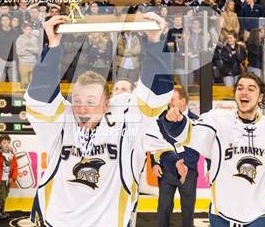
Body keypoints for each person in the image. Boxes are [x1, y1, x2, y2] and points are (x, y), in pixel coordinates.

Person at [25, 14, 188, 226]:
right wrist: (53, 46)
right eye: (77, 99)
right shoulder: (63, 120)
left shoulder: (124, 121)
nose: (82, 107)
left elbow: (155, 96)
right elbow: (39, 98)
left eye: (91, 101)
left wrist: (155, 42)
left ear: (106, 104)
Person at [162, 72, 265, 226]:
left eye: (251, 89)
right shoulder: (218, 120)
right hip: (222, 215)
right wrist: (175, 122)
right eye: (240, 88)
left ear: (260, 97)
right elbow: (190, 132)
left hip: (262, 215)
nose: (244, 92)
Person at [151, 88, 199, 227]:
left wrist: (210, 167)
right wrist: (155, 163)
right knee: (163, 209)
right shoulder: (161, 120)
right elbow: (155, 142)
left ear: (183, 101)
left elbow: (206, 145)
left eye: (173, 99)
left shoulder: (196, 120)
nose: (169, 103)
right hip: (167, 172)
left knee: (188, 211)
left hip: (189, 173)